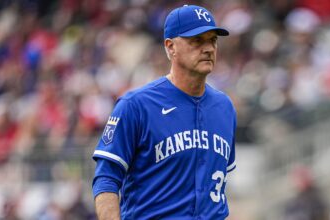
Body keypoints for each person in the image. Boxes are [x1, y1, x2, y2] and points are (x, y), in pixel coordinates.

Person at [92, 4, 237, 220]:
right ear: (170, 47)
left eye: (212, 40)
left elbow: (218, 188)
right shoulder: (136, 105)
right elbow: (106, 178)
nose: (208, 48)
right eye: (197, 40)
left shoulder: (225, 107)